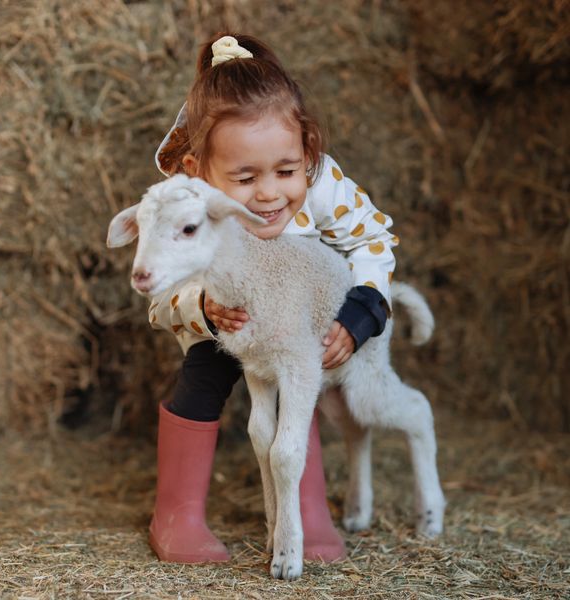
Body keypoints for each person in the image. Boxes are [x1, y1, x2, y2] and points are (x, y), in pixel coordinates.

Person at [147, 33, 398, 564]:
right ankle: (178, 514)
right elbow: (159, 290)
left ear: (306, 152)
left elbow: (372, 242)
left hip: (290, 320)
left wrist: (362, 312)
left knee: (295, 378)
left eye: (285, 172)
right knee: (202, 376)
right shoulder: (186, 206)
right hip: (228, 320)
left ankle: (303, 512)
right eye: (244, 177)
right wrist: (202, 310)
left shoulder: (323, 183)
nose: (268, 194)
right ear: (199, 171)